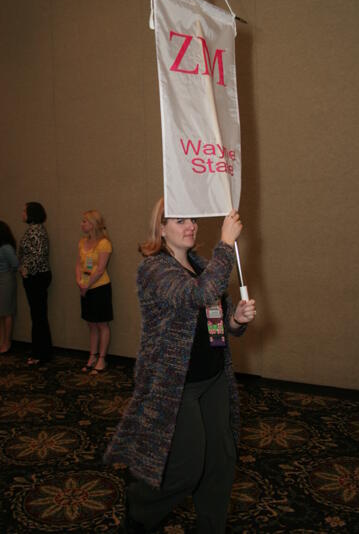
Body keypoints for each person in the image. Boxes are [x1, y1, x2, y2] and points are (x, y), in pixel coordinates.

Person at [104, 197, 256, 533]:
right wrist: (226, 244)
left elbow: (215, 323)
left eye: (192, 220)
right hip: (178, 385)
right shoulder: (154, 269)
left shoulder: (202, 266)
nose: (190, 226)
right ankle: (141, 510)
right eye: (179, 220)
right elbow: (197, 296)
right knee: (188, 467)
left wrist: (235, 321)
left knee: (220, 462)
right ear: (161, 229)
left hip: (213, 377)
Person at [76, 210, 113, 374]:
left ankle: (102, 359)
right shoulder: (82, 242)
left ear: (93, 224)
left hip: (99, 288)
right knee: (91, 324)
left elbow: (100, 269)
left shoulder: (104, 243)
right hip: (85, 288)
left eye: (85, 221)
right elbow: (78, 265)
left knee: (102, 324)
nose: (81, 224)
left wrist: (87, 285)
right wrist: (79, 282)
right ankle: (92, 356)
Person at [19, 202, 53, 365]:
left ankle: (41, 353)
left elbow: (38, 255)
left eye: (24, 211)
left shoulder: (36, 230)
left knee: (38, 316)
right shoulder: (35, 229)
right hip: (36, 276)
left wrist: (26, 269)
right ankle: (40, 351)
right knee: (37, 315)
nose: (22, 213)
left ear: (32, 213)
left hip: (36, 277)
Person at [0, 221, 19, 354]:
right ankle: (1, 340)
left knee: (6, 312)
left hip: (5, 279)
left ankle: (7, 342)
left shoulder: (6, 247)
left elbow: (15, 264)